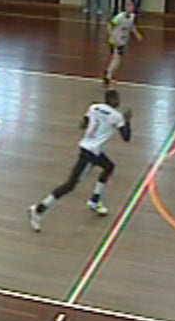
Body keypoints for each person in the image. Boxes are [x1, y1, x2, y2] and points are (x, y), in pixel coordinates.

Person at [28, 89, 132, 231]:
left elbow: (82, 125)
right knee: (70, 185)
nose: (119, 101)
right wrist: (127, 121)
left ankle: (95, 200)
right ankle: (39, 209)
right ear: (113, 100)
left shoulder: (94, 107)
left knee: (109, 167)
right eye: (117, 98)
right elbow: (126, 138)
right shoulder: (117, 116)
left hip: (89, 148)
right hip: (91, 153)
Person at [103, 0, 143, 87]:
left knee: (117, 61)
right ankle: (108, 75)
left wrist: (137, 34)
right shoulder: (119, 17)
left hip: (122, 42)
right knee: (116, 59)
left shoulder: (132, 16)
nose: (130, 8)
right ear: (125, 8)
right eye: (129, 7)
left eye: (132, 7)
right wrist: (112, 36)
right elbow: (109, 25)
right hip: (115, 41)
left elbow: (132, 26)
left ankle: (108, 73)